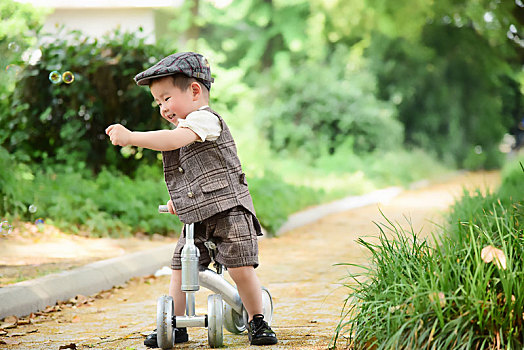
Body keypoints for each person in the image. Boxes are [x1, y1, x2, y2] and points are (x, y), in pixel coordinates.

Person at [105, 52, 278, 347]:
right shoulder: (186, 127)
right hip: (196, 218)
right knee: (181, 267)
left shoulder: (205, 120)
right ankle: (176, 324)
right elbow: (190, 175)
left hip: (229, 210)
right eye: (158, 102)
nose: (163, 108)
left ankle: (257, 319)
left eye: (166, 98)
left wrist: (133, 137)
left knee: (239, 266)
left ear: (195, 91)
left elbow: (171, 141)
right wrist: (181, 201)